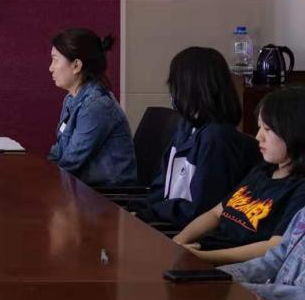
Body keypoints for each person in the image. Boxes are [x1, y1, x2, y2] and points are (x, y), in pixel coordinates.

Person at [174, 86, 305, 265]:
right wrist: (177, 243)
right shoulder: (262, 171)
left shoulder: (299, 189)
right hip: (204, 254)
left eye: (267, 129)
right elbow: (216, 213)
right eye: (259, 127)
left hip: (233, 268)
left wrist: (204, 257)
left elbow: (275, 247)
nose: (258, 137)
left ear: (295, 132)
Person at [137, 47, 257, 228]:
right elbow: (161, 188)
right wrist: (137, 211)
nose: (171, 90)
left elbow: (200, 209)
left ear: (191, 87)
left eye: (174, 83)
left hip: (184, 233)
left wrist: (150, 214)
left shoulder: (216, 138)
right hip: (166, 224)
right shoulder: (185, 127)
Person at [47, 28, 136, 186]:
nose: (51, 68)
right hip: (82, 189)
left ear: (76, 65)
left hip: (106, 195)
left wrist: (40, 177)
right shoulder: (71, 99)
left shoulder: (96, 106)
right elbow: (59, 152)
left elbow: (70, 162)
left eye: (55, 60)